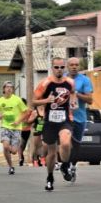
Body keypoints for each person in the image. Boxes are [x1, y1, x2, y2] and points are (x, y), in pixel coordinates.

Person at [32, 57, 77, 191]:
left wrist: (74, 102)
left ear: (65, 68)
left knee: (66, 142)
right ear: (52, 68)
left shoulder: (70, 82)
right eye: (56, 67)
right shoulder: (45, 83)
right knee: (51, 152)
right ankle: (50, 177)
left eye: (62, 67)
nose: (59, 70)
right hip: (50, 121)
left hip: (65, 119)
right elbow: (33, 101)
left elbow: (73, 94)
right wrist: (46, 100)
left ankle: (64, 164)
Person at [66, 57, 93, 182]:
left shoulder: (85, 80)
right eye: (71, 64)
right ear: (67, 66)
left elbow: (90, 100)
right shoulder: (62, 79)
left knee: (76, 145)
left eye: (76, 64)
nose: (74, 67)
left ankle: (72, 165)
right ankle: (64, 164)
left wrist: (76, 94)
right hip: (65, 117)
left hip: (79, 117)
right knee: (65, 142)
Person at [0, 81, 28, 175]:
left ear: (13, 89)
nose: (9, 89)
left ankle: (12, 153)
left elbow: (26, 112)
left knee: (14, 151)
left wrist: (18, 121)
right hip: (5, 127)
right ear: (3, 89)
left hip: (16, 128)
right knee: (5, 146)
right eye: (7, 87)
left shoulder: (17, 100)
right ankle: (11, 166)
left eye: (11, 87)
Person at [18, 98, 33, 166]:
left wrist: (28, 121)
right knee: (20, 145)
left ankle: (22, 157)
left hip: (27, 130)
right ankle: (20, 159)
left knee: (23, 146)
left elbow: (33, 119)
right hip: (19, 130)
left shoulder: (29, 111)